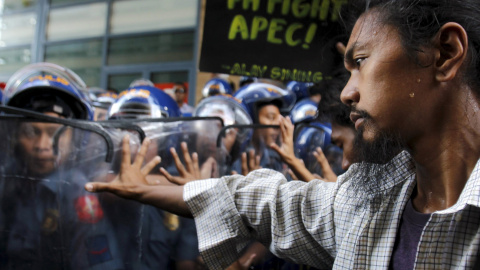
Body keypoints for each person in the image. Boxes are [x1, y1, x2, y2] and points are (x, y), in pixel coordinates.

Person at [86, 0, 480, 268]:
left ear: (444, 54)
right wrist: (156, 190)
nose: (347, 92)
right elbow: (270, 203)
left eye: (360, 62)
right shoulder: (370, 205)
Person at [1, 62, 123, 269]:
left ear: (75, 137)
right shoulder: (6, 180)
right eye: (31, 132)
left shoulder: (76, 193)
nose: (42, 146)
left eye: (56, 133)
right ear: (15, 136)